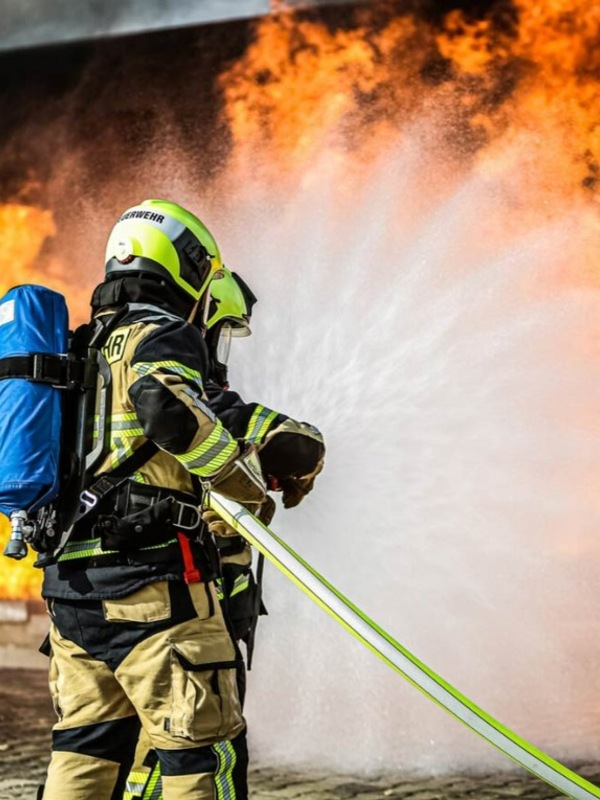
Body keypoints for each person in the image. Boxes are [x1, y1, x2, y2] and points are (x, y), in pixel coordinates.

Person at [39, 199, 323, 800]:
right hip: (157, 595)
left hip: (73, 597)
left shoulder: (80, 348)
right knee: (201, 755)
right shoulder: (163, 332)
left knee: (84, 758)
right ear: (189, 267)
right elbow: (166, 408)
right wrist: (242, 487)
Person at [123, 266, 325, 800]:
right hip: (173, 598)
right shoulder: (178, 379)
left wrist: (282, 454)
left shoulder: (99, 368)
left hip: (89, 592)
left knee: (104, 748)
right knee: (205, 746)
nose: (219, 348)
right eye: (222, 330)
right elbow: (229, 419)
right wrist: (280, 460)